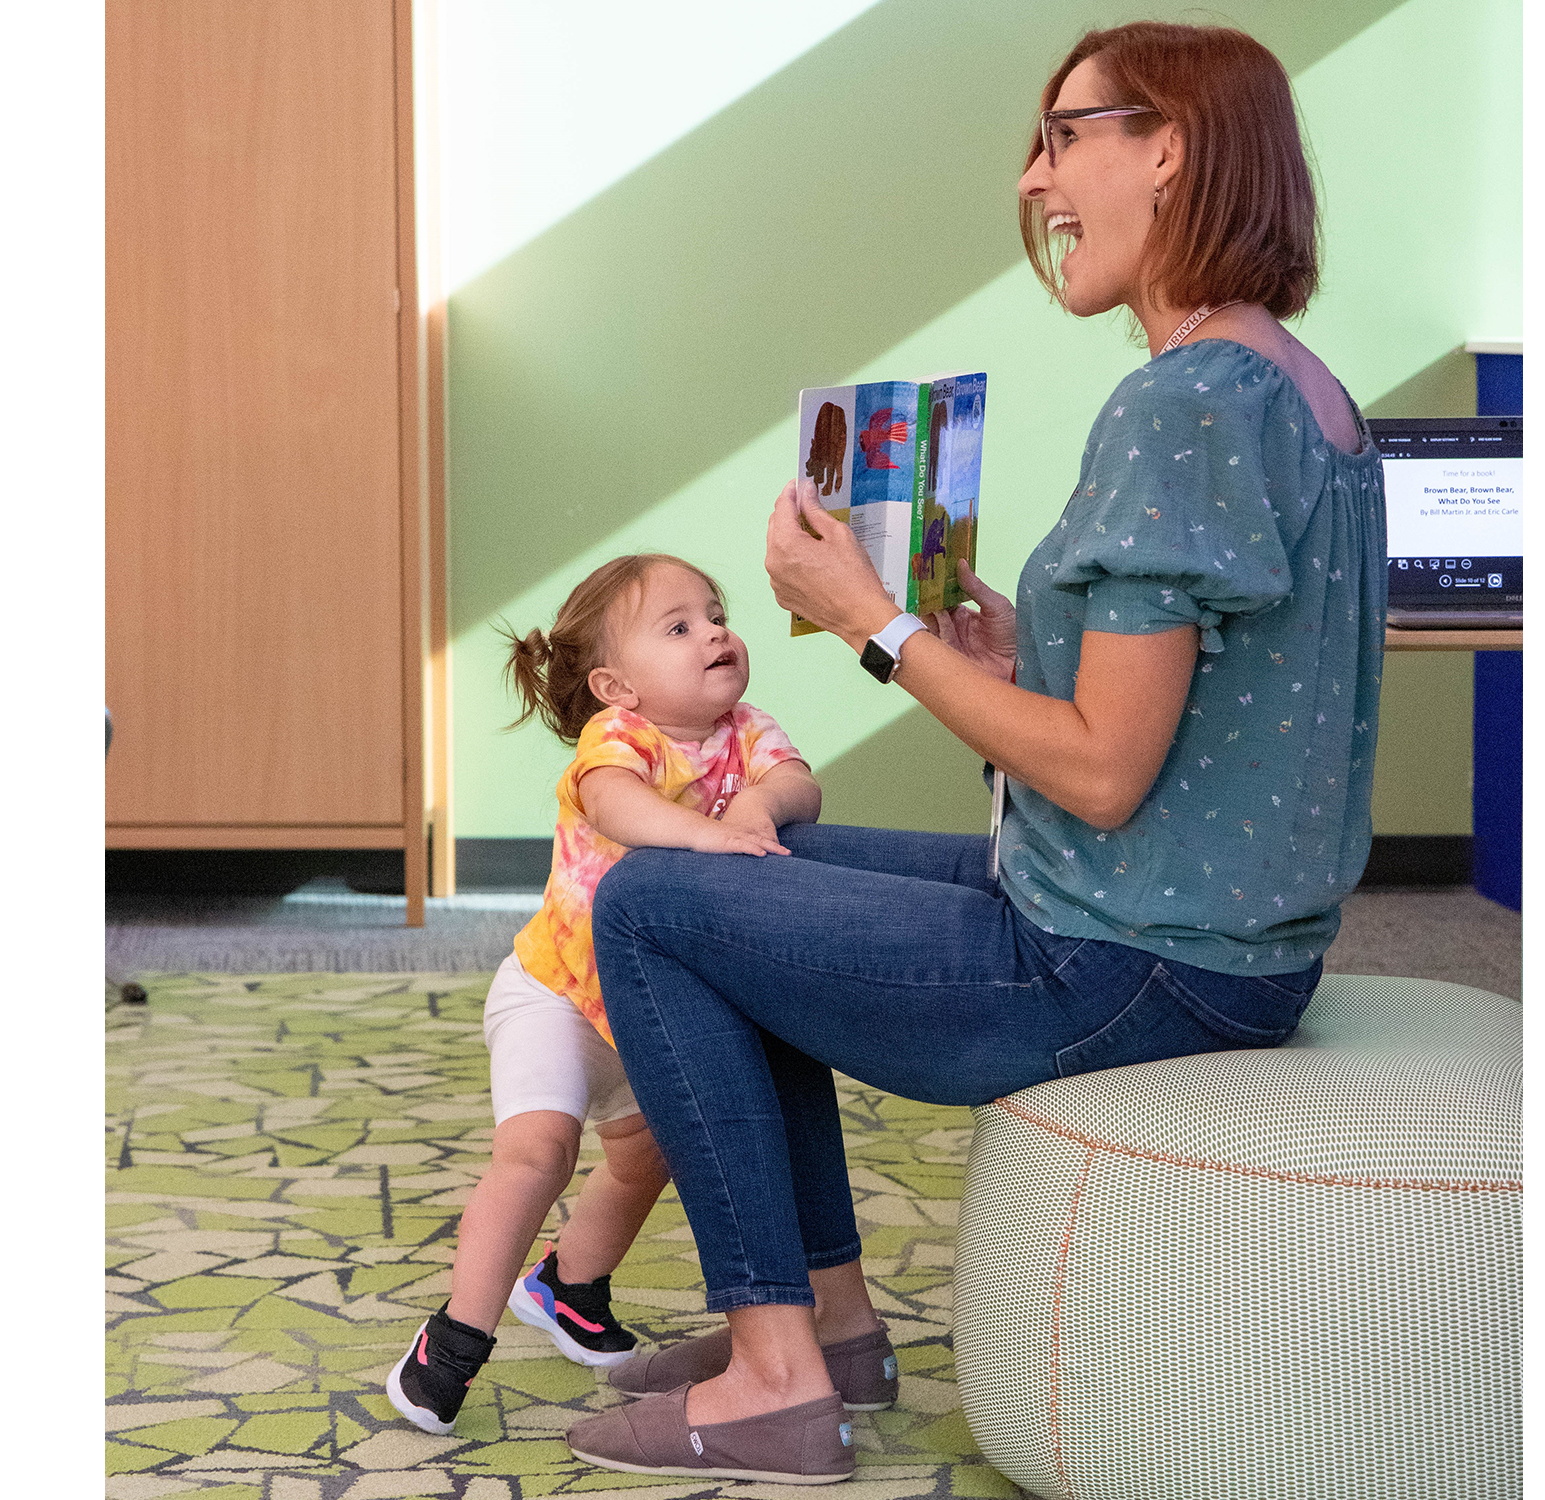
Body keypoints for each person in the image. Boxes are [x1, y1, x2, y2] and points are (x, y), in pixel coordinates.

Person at [561, 20, 1388, 1485]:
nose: (1033, 175)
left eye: (1066, 136)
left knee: (652, 903)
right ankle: (833, 1325)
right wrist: (1010, 646)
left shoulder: (1181, 402)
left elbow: (1099, 773)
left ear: (1174, 145)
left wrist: (880, 625)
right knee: (769, 854)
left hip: (1130, 964)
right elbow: (1206, 701)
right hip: (1209, 937)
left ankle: (775, 1379)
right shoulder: (1289, 388)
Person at [384, 553, 821, 1435]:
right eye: (680, 626)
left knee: (646, 1156)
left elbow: (800, 781)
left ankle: (568, 1285)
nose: (715, 633)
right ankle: (454, 1339)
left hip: (648, 1008)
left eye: (716, 612)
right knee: (538, 1154)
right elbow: (617, 807)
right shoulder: (616, 743)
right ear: (616, 686)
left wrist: (763, 805)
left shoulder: (749, 731)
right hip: (555, 993)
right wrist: (704, 835)